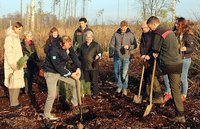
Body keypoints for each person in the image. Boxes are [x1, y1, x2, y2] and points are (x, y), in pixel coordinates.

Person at [147, 16, 185, 123]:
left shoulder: (158, 33)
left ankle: (158, 96)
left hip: (166, 64)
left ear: (154, 24)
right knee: (176, 90)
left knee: (150, 72)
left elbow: (155, 49)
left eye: (150, 27)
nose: (150, 29)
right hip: (177, 63)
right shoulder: (170, 31)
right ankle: (180, 115)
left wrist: (150, 55)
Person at [43, 35, 87, 120]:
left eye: (70, 44)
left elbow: (73, 55)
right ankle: (46, 114)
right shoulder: (54, 50)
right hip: (51, 72)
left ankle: (75, 106)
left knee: (75, 83)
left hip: (60, 71)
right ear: (62, 44)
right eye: (68, 45)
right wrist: (71, 74)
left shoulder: (68, 45)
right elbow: (57, 66)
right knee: (52, 95)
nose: (70, 46)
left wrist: (78, 67)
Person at [163, 17, 195, 103]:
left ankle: (183, 94)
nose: (175, 25)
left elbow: (191, 48)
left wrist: (185, 48)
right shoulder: (173, 33)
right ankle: (168, 92)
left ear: (182, 25)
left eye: (177, 24)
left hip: (185, 59)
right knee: (166, 75)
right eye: (175, 23)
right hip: (174, 59)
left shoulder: (187, 35)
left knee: (182, 77)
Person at [109, 20, 137, 96]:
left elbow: (135, 45)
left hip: (126, 56)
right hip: (117, 56)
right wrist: (112, 53)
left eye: (125, 27)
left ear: (127, 27)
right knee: (116, 72)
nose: (123, 29)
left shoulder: (130, 34)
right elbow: (111, 45)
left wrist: (129, 47)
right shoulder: (116, 34)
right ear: (120, 27)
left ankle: (125, 88)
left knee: (124, 73)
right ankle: (119, 86)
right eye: (122, 27)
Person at [4, 22, 25, 108]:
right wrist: (12, 64)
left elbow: (18, 52)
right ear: (15, 28)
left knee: (14, 82)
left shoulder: (15, 37)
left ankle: (14, 102)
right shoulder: (10, 38)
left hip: (18, 63)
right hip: (13, 64)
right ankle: (14, 102)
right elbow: (8, 52)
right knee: (14, 82)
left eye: (21, 29)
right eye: (19, 29)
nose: (20, 31)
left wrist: (23, 61)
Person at [79, 31, 103, 99]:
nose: (88, 38)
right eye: (87, 37)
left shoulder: (96, 45)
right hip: (85, 66)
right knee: (87, 81)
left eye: (89, 37)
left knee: (94, 81)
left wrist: (98, 56)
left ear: (92, 37)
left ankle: (95, 94)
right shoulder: (82, 45)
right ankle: (88, 92)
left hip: (93, 66)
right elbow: (79, 55)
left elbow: (100, 52)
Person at [139, 22, 154, 99]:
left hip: (150, 58)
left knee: (150, 75)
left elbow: (153, 47)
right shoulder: (143, 35)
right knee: (145, 75)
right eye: (141, 28)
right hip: (144, 57)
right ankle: (145, 92)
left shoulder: (152, 35)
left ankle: (151, 93)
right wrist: (142, 54)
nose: (142, 29)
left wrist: (149, 55)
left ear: (147, 27)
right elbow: (141, 45)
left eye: (143, 28)